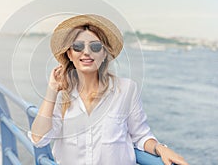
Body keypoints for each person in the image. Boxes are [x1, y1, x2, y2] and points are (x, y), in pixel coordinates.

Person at [28, 14, 188, 165]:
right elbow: (38, 139)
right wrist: (52, 91)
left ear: (104, 53)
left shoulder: (126, 89)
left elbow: (141, 135)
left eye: (95, 46)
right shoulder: (63, 96)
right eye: (77, 46)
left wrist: (160, 148)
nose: (86, 52)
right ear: (69, 54)